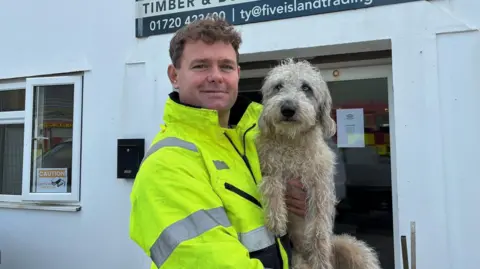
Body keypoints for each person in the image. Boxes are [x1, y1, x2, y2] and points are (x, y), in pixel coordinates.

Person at [129, 17, 307, 269]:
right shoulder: (166, 165)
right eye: (201, 66)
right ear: (174, 76)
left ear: (237, 74)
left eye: (226, 66)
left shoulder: (258, 137)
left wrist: (302, 199)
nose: (216, 77)